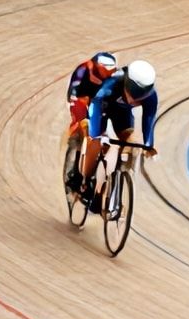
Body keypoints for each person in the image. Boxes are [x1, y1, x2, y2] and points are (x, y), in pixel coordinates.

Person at [79, 59, 159, 213]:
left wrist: (148, 145)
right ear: (127, 84)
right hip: (101, 108)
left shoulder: (151, 97)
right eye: (134, 94)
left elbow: (149, 119)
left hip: (122, 114)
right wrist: (95, 135)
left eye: (141, 96)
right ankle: (85, 181)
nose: (136, 99)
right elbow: (96, 104)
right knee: (94, 142)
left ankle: (114, 181)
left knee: (130, 142)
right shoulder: (113, 83)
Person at [64, 52, 118, 184]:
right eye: (107, 71)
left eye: (111, 71)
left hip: (98, 102)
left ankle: (93, 165)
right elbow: (73, 94)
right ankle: (74, 162)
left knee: (101, 133)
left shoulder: (112, 75)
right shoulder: (83, 70)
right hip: (80, 99)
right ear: (99, 67)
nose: (109, 74)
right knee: (83, 125)